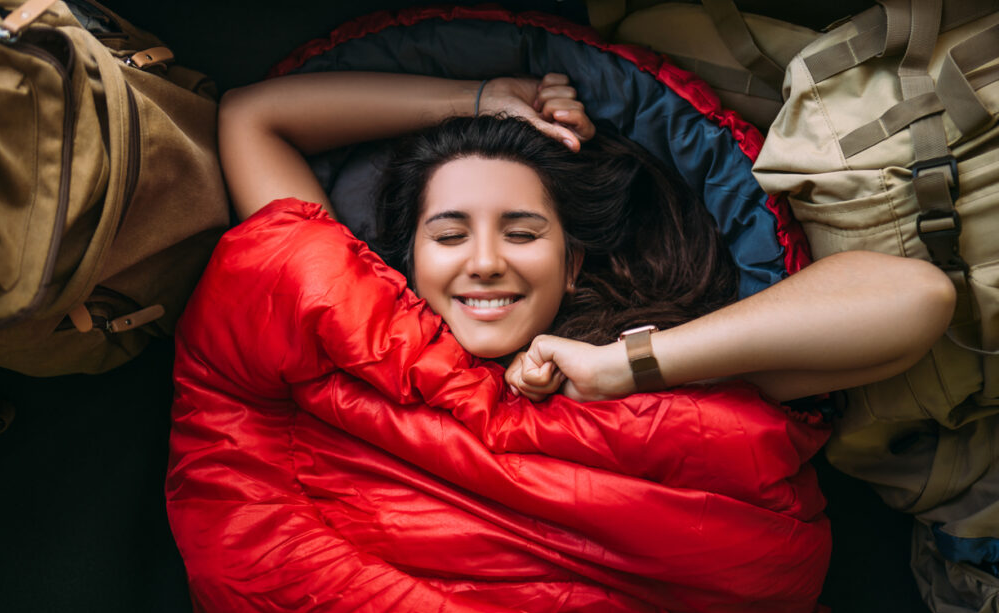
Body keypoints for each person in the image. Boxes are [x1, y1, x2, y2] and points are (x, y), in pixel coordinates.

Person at [218, 70, 956, 405]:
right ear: (406, 258)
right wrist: (481, 97)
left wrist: (621, 368)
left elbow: (915, 296)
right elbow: (253, 115)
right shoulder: (349, 311)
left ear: (571, 264)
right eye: (448, 235)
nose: (484, 261)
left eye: (522, 232)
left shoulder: (657, 353)